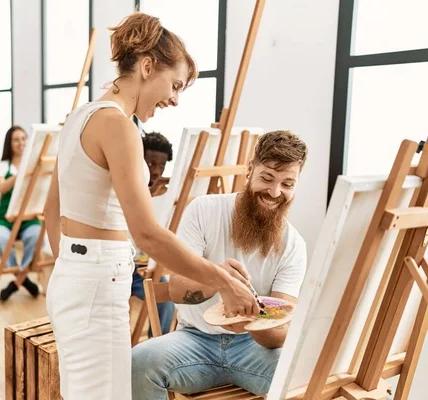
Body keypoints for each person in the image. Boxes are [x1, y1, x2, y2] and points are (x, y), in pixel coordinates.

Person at [43, 12, 260, 400]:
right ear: (146, 67)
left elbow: (52, 213)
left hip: (77, 279)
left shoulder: (79, 116)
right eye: (174, 84)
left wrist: (79, 264)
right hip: (95, 283)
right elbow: (148, 233)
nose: (174, 99)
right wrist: (222, 281)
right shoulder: (119, 126)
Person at [132, 131, 308, 398]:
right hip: (194, 340)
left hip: (253, 348)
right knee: (139, 362)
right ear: (250, 170)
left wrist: (250, 317)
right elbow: (177, 290)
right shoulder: (204, 210)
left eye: (287, 184)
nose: (275, 192)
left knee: (304, 381)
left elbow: (279, 334)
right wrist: (219, 279)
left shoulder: (294, 245)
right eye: (267, 178)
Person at [0, 125, 42, 301]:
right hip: (5, 216)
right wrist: (21, 174)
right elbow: (2, 188)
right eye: (16, 139)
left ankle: (16, 282)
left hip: (28, 216)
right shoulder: (2, 166)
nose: (21, 143)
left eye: (23, 138)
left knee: (36, 235)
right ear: (9, 144)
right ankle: (23, 279)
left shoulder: (36, 165)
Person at [132, 130, 174, 337]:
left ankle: (157, 342)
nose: (156, 171)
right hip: (118, 269)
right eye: (151, 164)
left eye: (162, 166)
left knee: (166, 292)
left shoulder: (168, 194)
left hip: (145, 269)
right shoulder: (125, 187)